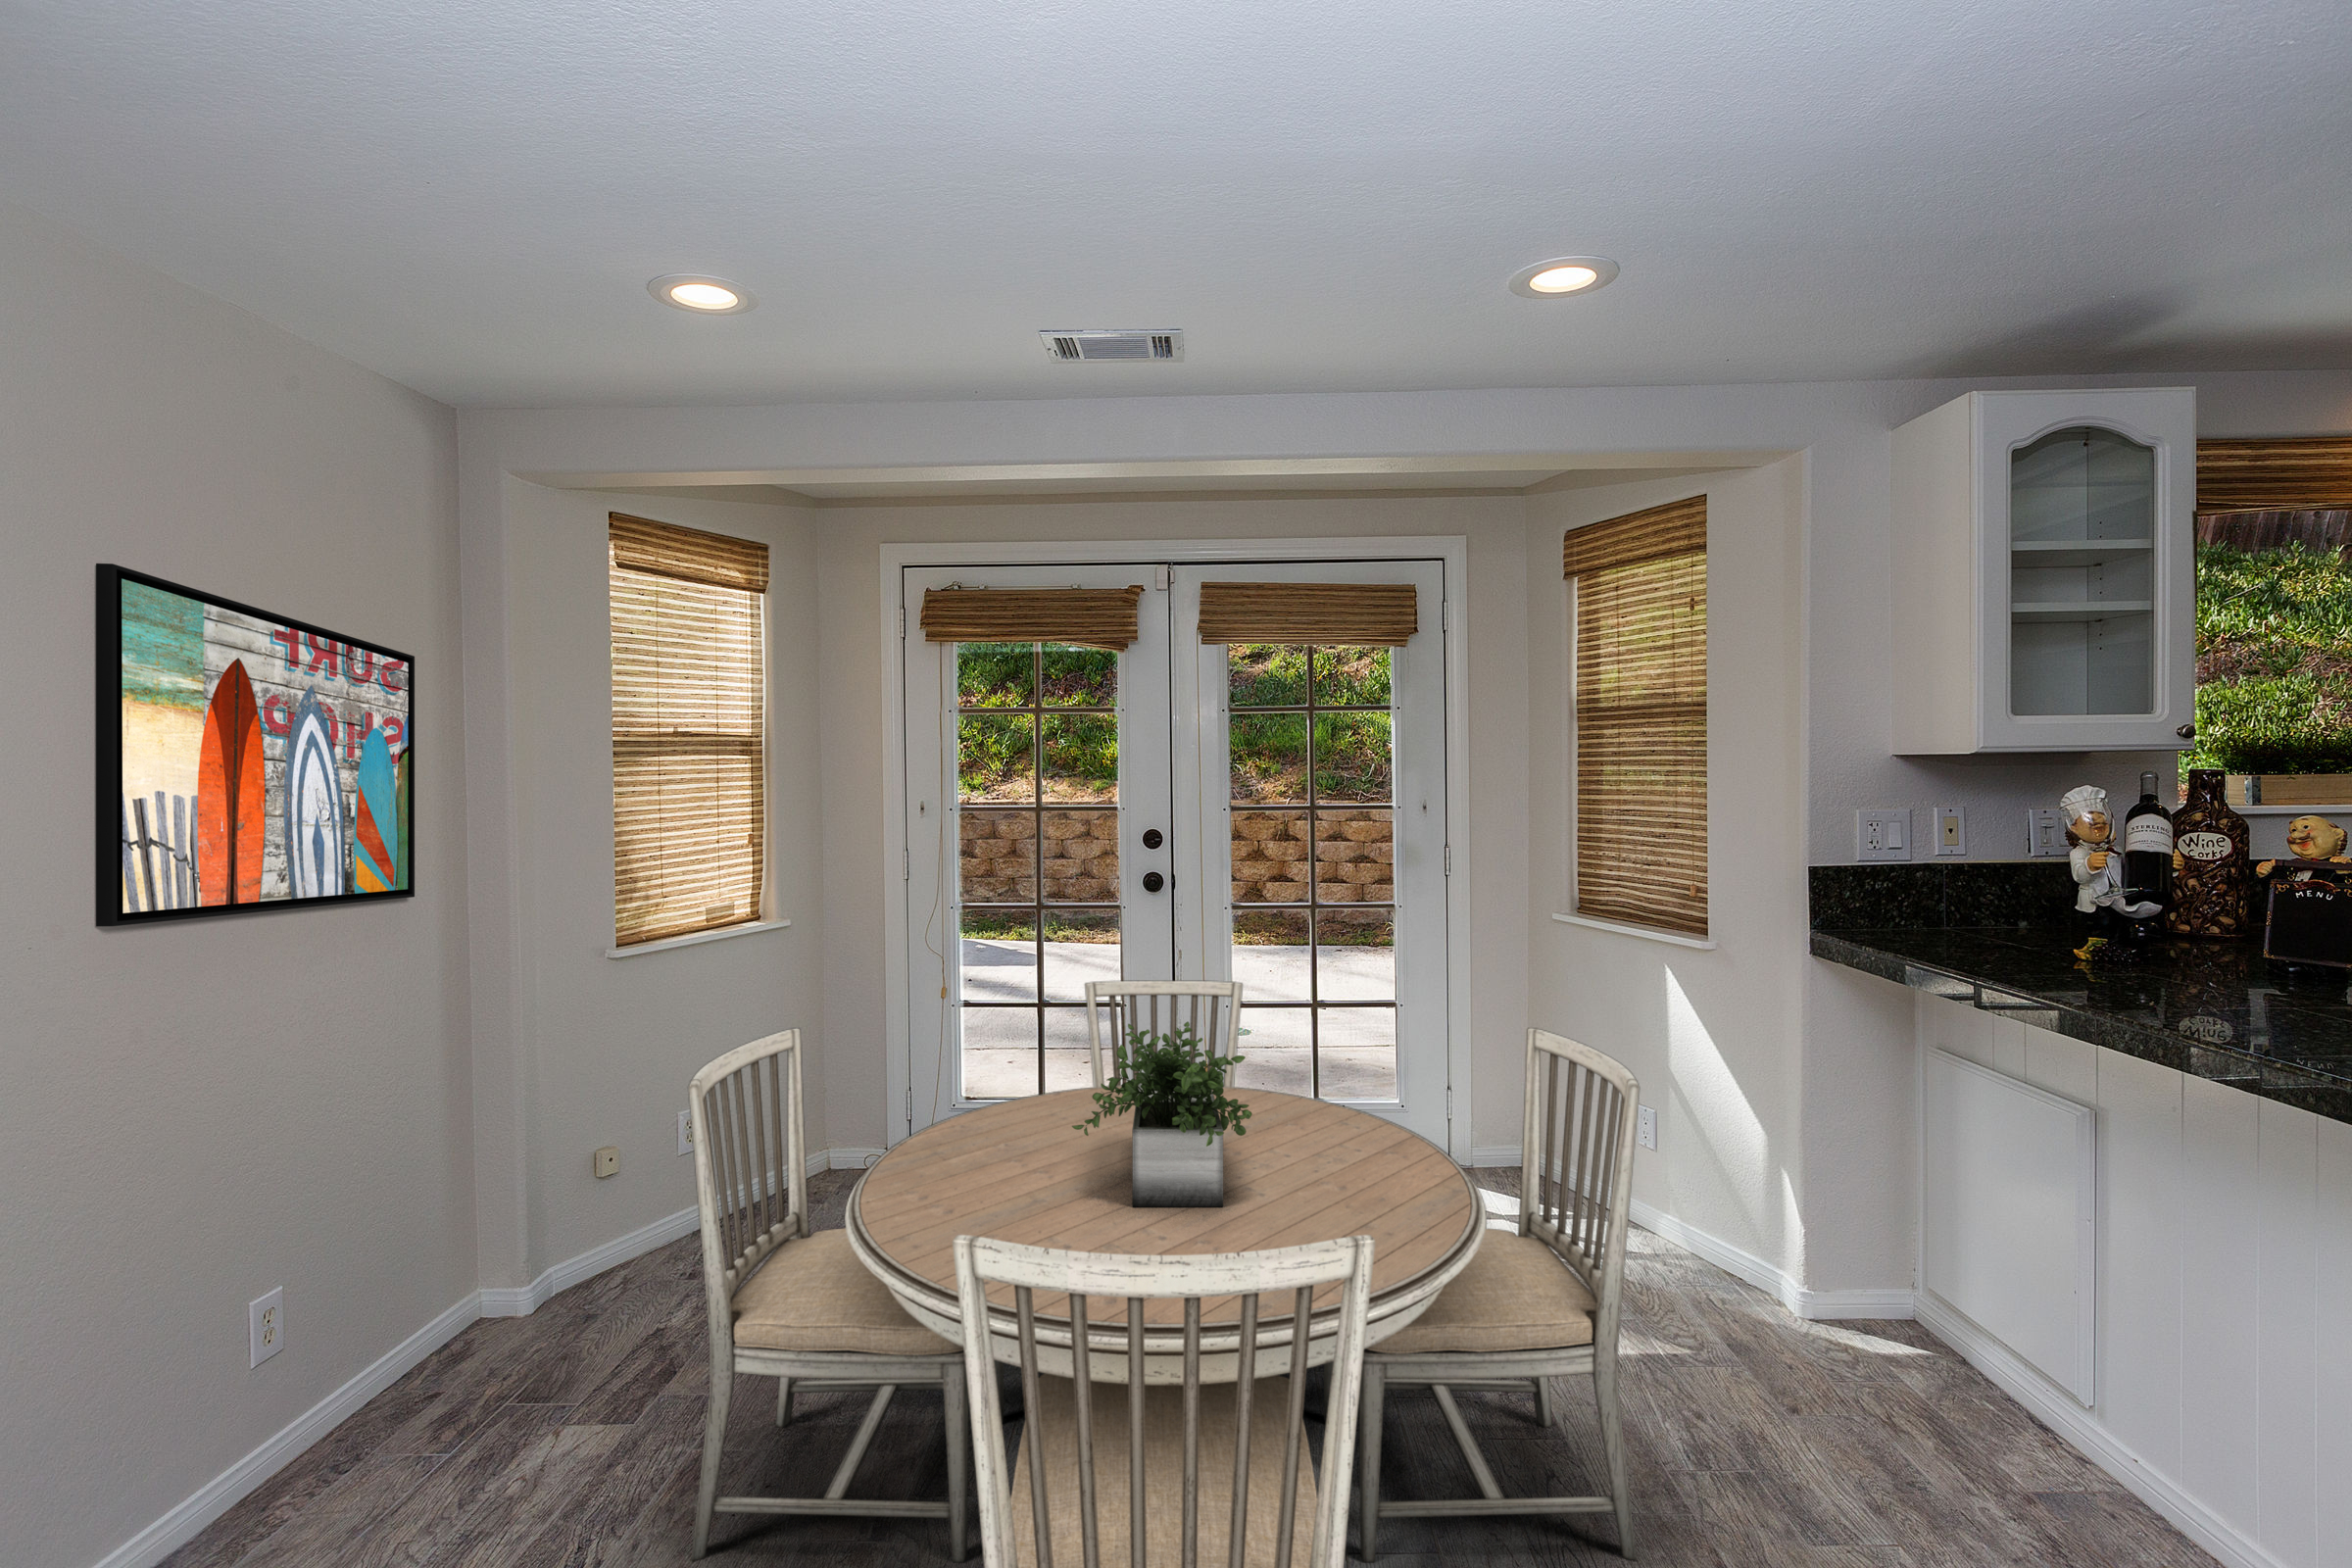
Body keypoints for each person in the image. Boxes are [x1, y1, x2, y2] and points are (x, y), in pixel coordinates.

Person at [2063, 784, 2161, 920]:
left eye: (2101, 815)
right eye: (2090, 816)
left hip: (2117, 898)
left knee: (2118, 924)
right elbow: (2079, 877)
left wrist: (2167, 868)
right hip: (2093, 904)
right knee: (2098, 928)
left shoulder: (2116, 850)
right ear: (2074, 828)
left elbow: (2133, 869)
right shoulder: (2078, 853)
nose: (2098, 819)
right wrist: (2089, 866)